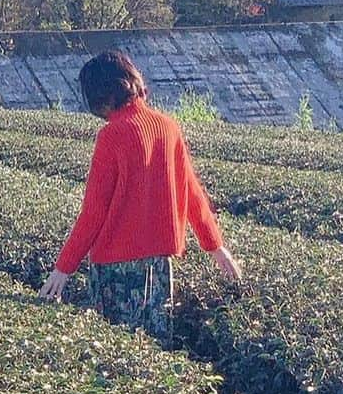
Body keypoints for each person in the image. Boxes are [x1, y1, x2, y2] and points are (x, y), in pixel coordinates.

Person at [38, 51, 241, 338]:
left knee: (116, 353)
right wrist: (215, 246)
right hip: (160, 266)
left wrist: (63, 269)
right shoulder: (169, 127)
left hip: (116, 271)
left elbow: (94, 213)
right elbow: (192, 192)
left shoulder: (112, 136)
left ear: (101, 95)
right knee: (156, 353)